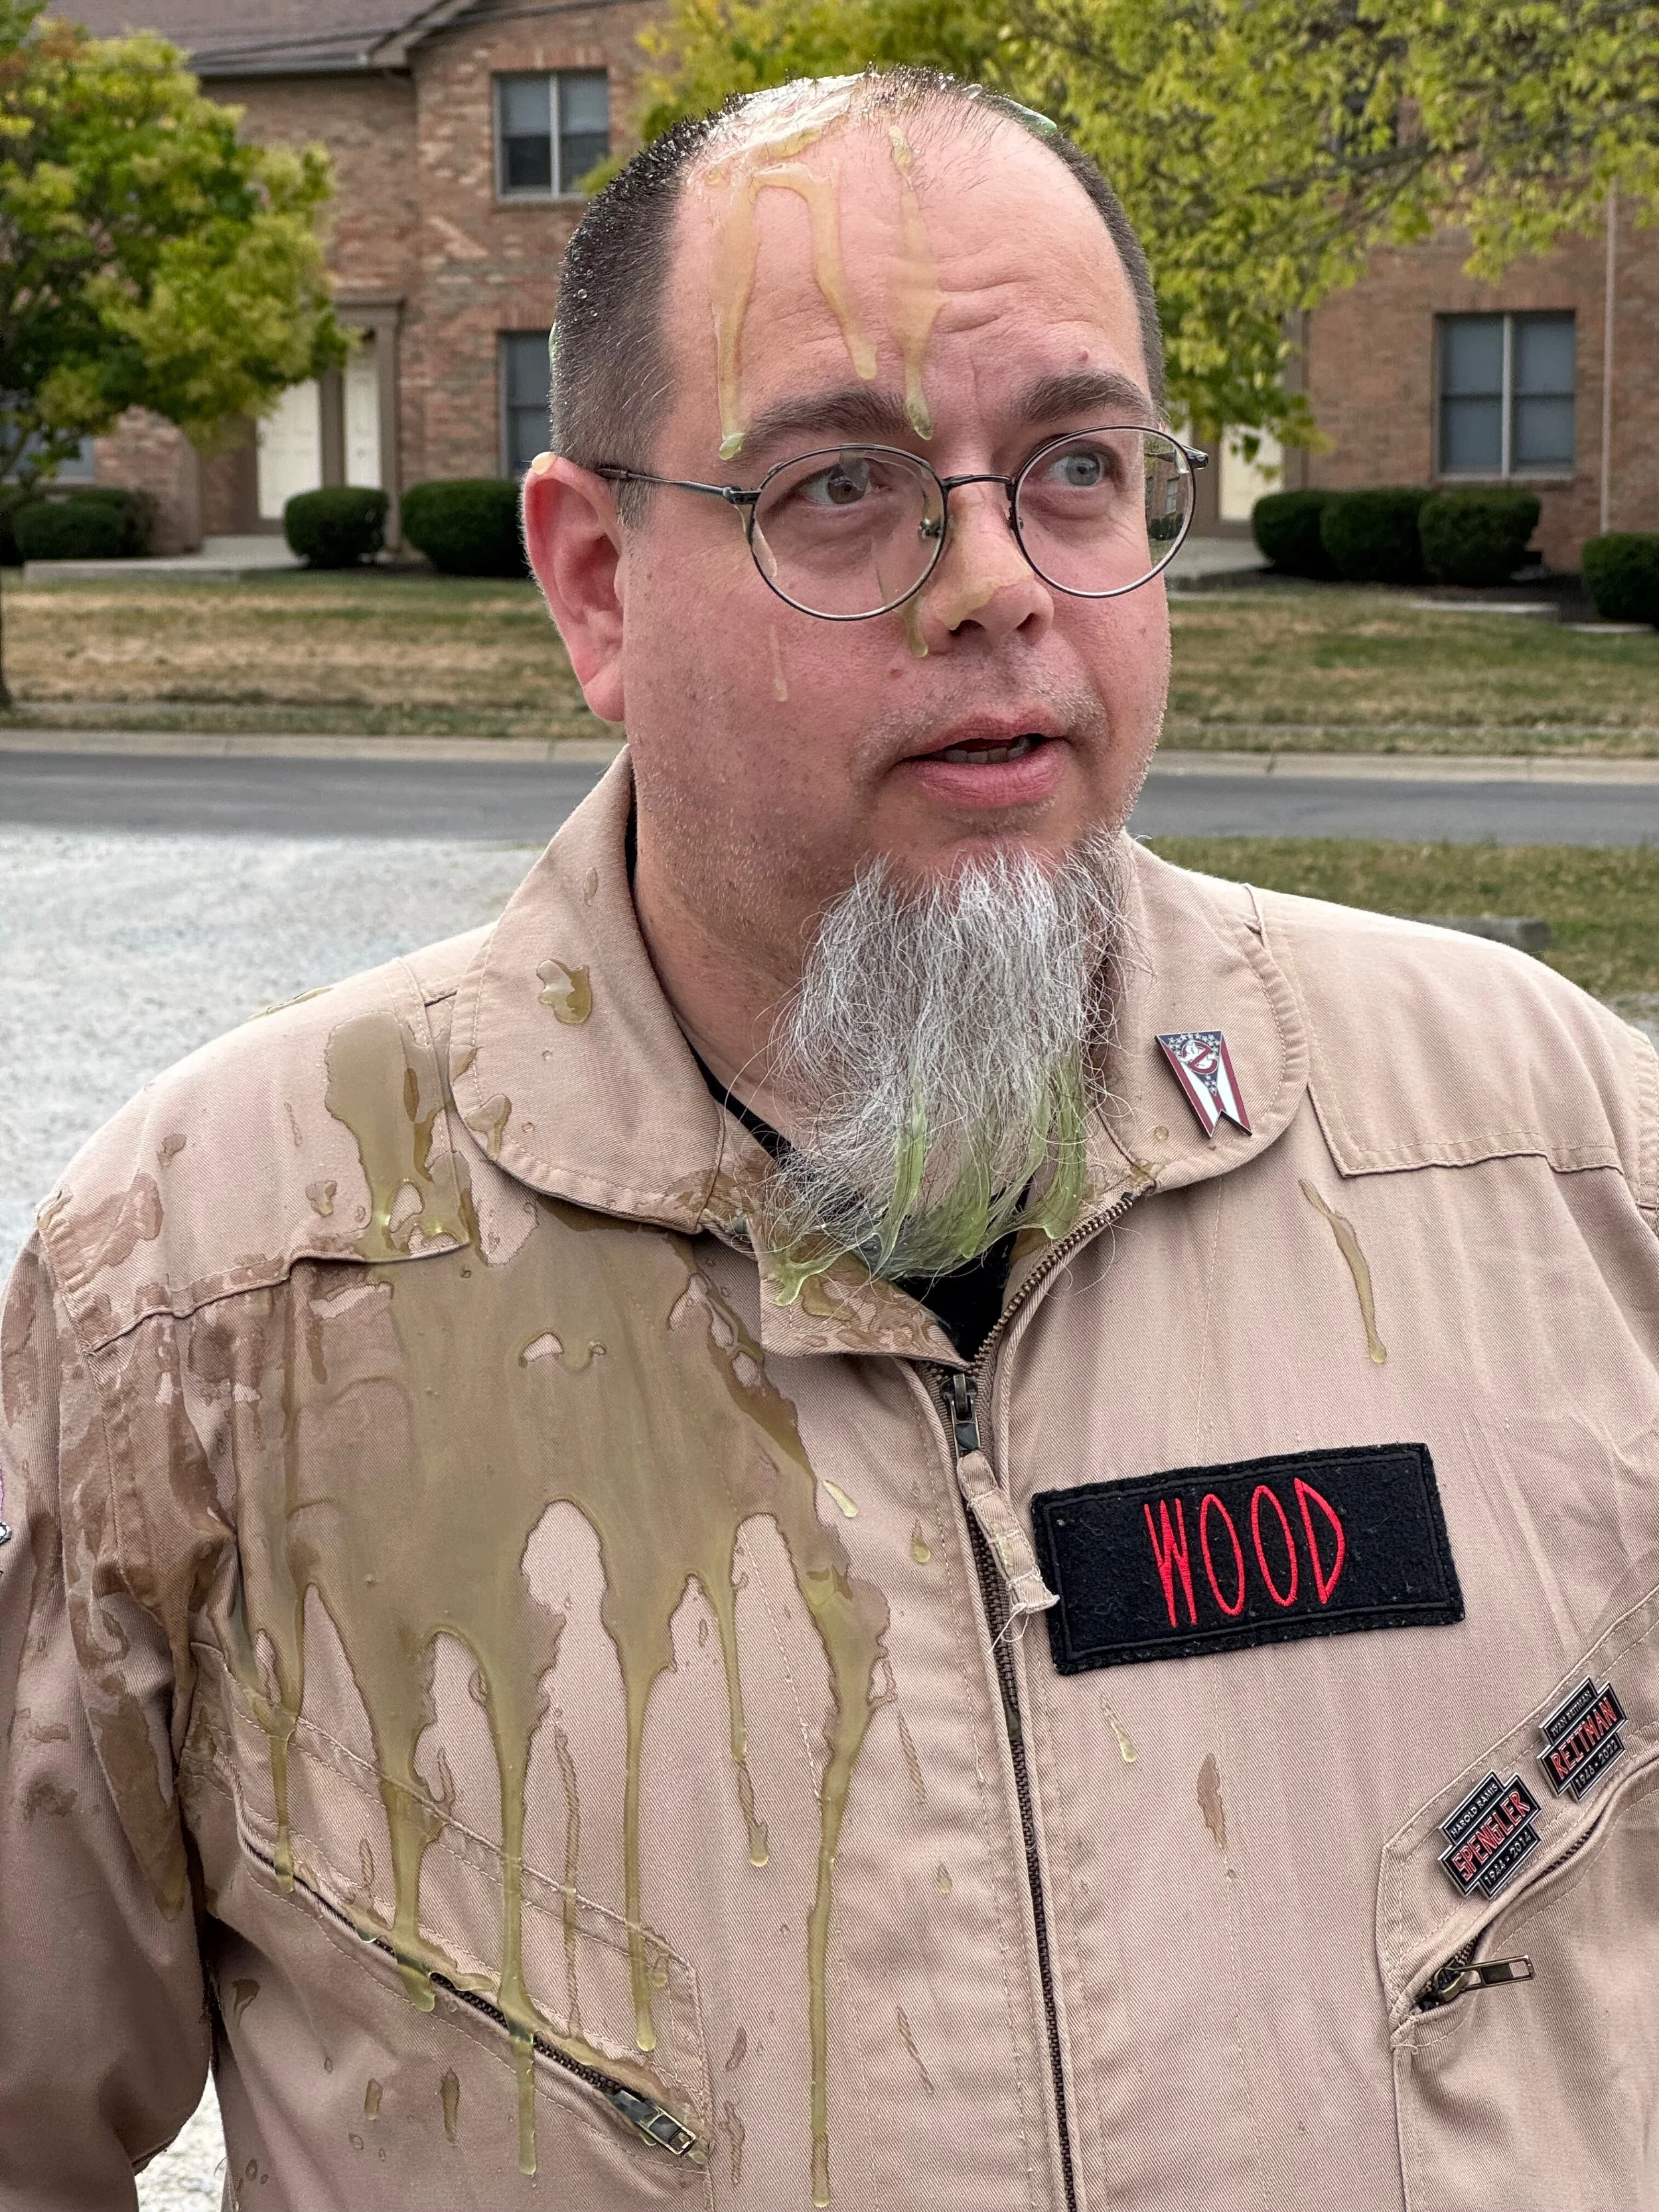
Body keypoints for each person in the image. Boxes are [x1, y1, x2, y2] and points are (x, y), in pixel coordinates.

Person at [3, 64, 1657, 2212]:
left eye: (1074, 469)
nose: (994, 583)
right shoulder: (211, 1294)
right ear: (594, 583)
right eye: (842, 490)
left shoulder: (1558, 1160)